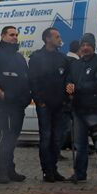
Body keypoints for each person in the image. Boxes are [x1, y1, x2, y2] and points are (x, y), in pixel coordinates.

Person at [66, 33, 97, 187]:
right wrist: (69, 86)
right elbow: (69, 79)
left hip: (95, 110)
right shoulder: (75, 65)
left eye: (88, 45)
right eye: (83, 45)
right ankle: (80, 174)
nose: (85, 48)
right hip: (78, 110)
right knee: (80, 145)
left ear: (93, 46)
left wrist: (77, 88)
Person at [0, 25, 30, 184]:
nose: (15, 37)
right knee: (5, 137)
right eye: (12, 34)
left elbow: (25, 79)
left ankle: (10, 169)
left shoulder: (19, 57)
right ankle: (1, 170)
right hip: (5, 105)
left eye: (16, 35)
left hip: (19, 105)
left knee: (13, 138)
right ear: (3, 36)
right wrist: (1, 94)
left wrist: (26, 98)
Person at [28, 27, 69, 182]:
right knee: (46, 138)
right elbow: (33, 81)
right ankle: (47, 171)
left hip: (60, 105)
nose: (60, 39)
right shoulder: (37, 58)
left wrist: (67, 97)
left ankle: (54, 168)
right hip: (45, 105)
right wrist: (40, 101)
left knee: (57, 139)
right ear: (48, 39)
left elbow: (67, 79)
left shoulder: (62, 58)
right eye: (57, 36)